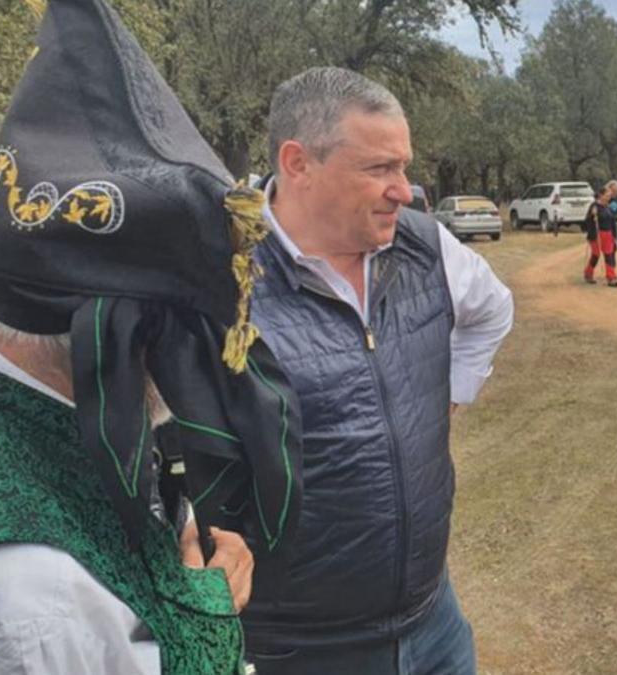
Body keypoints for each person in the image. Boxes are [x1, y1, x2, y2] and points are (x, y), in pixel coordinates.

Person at [0, 0, 305, 673]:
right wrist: (206, 618)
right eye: (201, 342)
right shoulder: (35, 596)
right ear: (130, 343)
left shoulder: (50, 423)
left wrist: (174, 538)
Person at [241, 67, 514, 675]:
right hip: (302, 652)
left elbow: (493, 309)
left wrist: (450, 396)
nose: (404, 190)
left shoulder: (424, 245)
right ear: (298, 163)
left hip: (434, 622)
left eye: (404, 167)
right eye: (379, 169)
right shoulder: (222, 276)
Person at [584, 184, 617, 287]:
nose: (609, 197)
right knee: (596, 255)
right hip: (597, 234)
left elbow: (612, 223)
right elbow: (587, 221)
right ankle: (588, 273)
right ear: (601, 195)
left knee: (609, 255)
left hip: (608, 234)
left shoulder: (608, 207)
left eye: (610, 195)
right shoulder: (594, 206)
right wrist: (592, 215)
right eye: (607, 194)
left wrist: (615, 237)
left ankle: (611, 277)